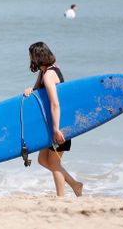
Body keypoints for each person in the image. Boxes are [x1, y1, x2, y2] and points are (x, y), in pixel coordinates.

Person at [24, 42, 82, 197]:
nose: (30, 58)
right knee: (43, 160)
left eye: (31, 55)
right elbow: (38, 91)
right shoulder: (44, 72)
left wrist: (56, 129)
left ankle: (61, 197)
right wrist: (31, 89)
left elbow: (55, 103)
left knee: (54, 163)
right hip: (49, 125)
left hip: (60, 125)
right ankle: (75, 184)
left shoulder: (49, 74)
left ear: (37, 56)